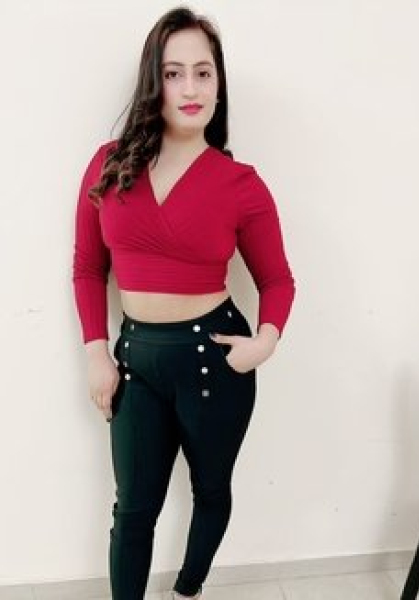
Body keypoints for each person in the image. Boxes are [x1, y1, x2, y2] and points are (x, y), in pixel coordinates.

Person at [72, 6, 295, 600]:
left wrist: (264, 344)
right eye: (174, 73)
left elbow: (278, 280)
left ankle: (187, 590)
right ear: (155, 81)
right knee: (131, 510)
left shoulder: (241, 184)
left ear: (219, 85)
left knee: (211, 489)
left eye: (204, 73)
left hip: (214, 360)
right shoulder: (109, 164)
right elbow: (88, 267)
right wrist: (96, 352)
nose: (191, 88)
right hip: (135, 363)